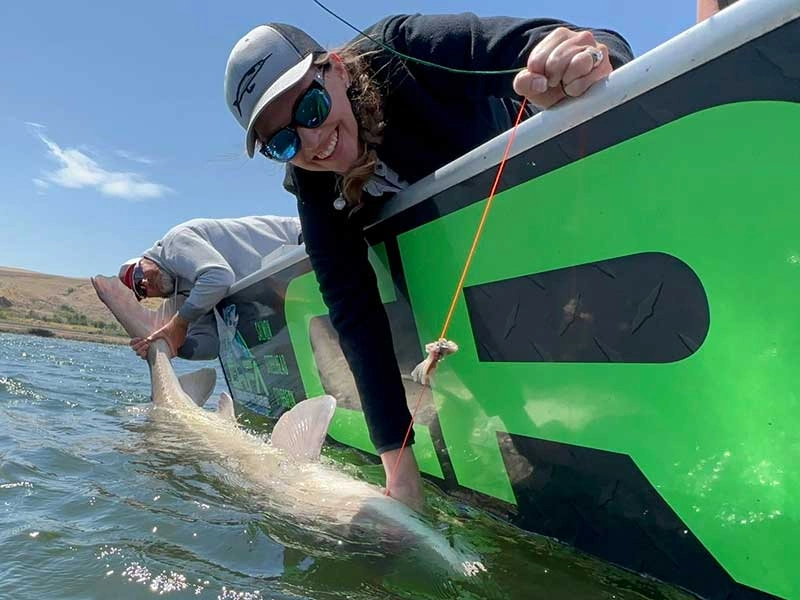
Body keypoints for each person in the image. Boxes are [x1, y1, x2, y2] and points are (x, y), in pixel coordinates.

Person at [223, 13, 634, 511]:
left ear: (336, 69)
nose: (311, 143)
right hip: (471, 284)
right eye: (283, 142)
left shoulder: (401, 50)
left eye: (310, 107)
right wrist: (398, 473)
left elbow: (531, 42)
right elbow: (356, 317)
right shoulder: (311, 186)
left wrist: (589, 62)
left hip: (553, 213)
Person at [119, 215, 302, 360]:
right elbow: (213, 344)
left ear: (146, 258)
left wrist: (179, 323)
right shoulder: (191, 296)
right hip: (288, 292)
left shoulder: (174, 243)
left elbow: (219, 277)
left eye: (138, 274)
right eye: (140, 290)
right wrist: (166, 345)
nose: (143, 283)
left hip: (301, 243)